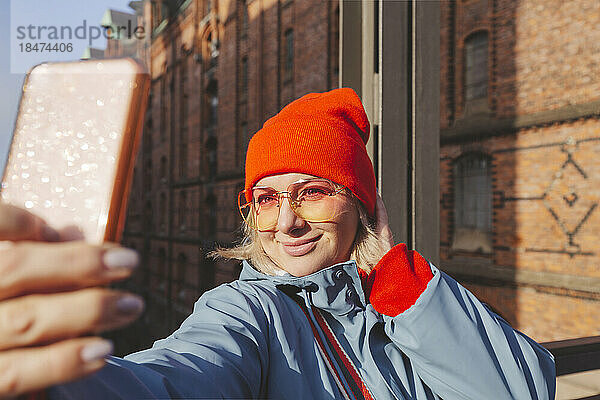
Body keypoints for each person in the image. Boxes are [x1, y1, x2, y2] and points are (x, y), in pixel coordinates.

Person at [0, 88, 555, 399]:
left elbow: (521, 391)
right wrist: (56, 385)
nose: (286, 221)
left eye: (310, 192)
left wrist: (394, 274)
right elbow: (176, 379)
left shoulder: (405, 302)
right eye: (266, 198)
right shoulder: (248, 310)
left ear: (360, 203)